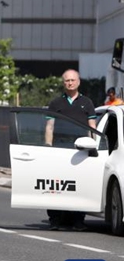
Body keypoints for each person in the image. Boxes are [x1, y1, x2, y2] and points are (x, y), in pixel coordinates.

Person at [44, 69, 97, 231]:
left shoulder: (87, 102)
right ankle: (54, 220)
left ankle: (78, 221)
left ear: (78, 82)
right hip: (59, 150)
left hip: (80, 150)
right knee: (55, 186)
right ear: (63, 83)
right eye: (67, 80)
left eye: (73, 80)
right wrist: (48, 148)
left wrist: (93, 147)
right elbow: (49, 127)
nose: (70, 83)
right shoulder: (55, 103)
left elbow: (92, 128)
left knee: (79, 185)